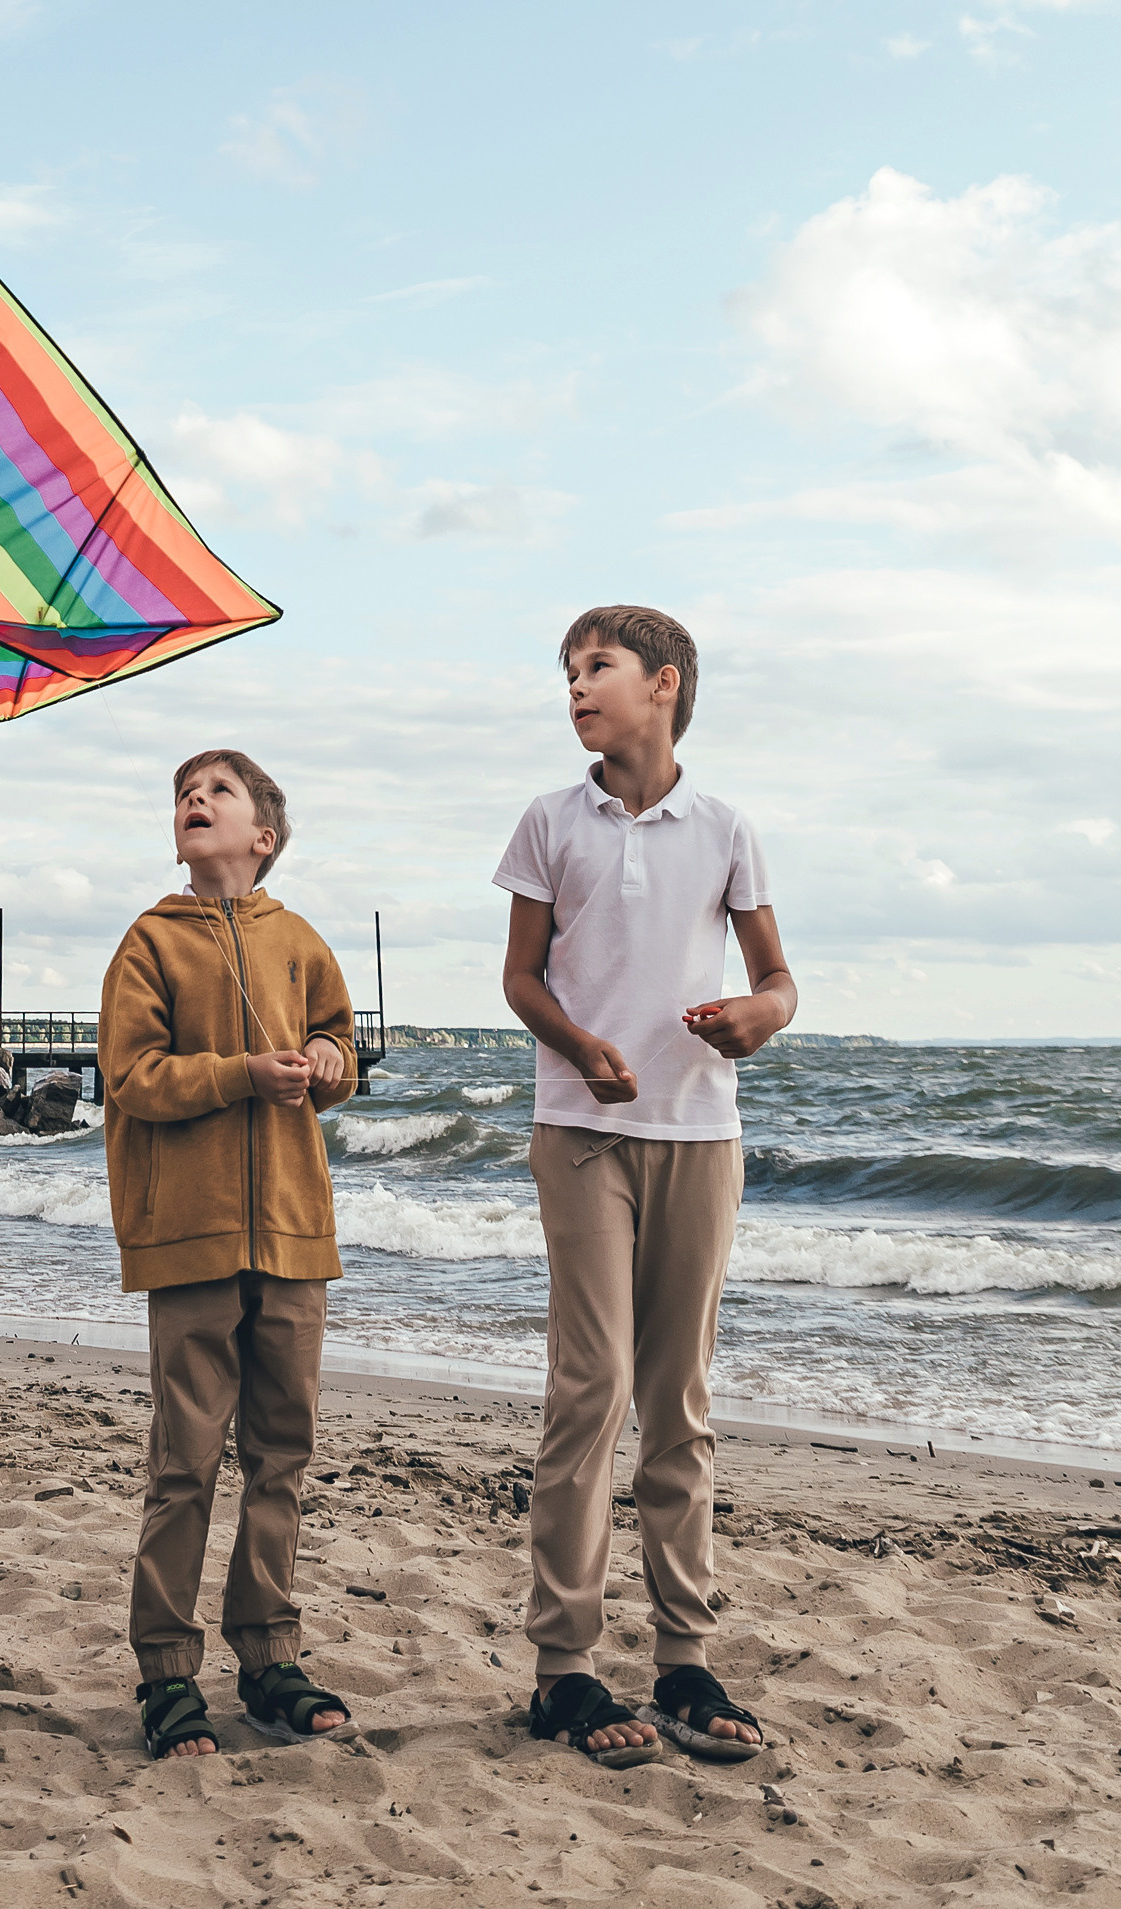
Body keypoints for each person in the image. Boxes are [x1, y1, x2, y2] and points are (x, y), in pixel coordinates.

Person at [495, 605, 795, 1773]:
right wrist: (577, 1046)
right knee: (595, 1387)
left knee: (679, 1398)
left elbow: (775, 980)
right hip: (579, 1130)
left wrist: (752, 1019)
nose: (576, 685)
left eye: (597, 667)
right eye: (568, 671)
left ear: (662, 685)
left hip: (699, 1134)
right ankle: (562, 1668)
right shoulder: (546, 821)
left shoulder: (723, 826)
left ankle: (684, 1655)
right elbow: (520, 977)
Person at [100, 746, 362, 1761]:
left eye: (217, 792)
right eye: (182, 794)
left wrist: (329, 1061)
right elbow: (133, 1078)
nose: (194, 802)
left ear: (264, 832)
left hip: (294, 1229)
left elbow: (337, 1040)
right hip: (190, 1232)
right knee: (186, 1460)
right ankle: (166, 1669)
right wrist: (244, 1072)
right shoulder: (150, 940)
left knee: (282, 1452)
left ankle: (268, 1653)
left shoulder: (296, 938)